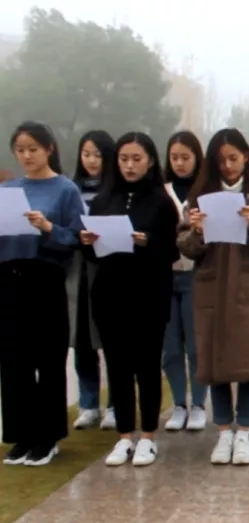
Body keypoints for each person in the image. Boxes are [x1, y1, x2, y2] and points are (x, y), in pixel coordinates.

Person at [177, 128, 249, 466]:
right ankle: (224, 430)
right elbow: (184, 246)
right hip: (211, 287)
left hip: (247, 290)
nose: (227, 166)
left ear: (247, 157)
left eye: (233, 158)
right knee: (216, 362)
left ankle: (244, 431)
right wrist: (196, 231)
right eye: (221, 159)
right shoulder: (200, 197)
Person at [80, 132, 179, 467]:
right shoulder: (103, 200)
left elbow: (172, 251)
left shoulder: (162, 202)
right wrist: (87, 241)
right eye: (124, 159)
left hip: (149, 296)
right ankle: (124, 436)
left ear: (150, 161)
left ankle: (148, 436)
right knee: (117, 367)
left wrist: (146, 241)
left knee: (147, 367)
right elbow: (92, 255)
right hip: (110, 295)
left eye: (137, 159)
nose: (130, 165)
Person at [0, 122, 84, 467]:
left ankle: (47, 438)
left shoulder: (65, 190)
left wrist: (48, 227)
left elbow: (78, 237)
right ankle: (21, 435)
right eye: (20, 150)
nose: (26, 156)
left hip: (45, 278)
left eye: (33, 149)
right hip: (9, 278)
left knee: (47, 359)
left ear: (49, 149)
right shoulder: (8, 189)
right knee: (13, 361)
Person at [69, 130, 116, 431]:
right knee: (82, 341)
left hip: (108, 270)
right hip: (78, 272)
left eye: (97, 154)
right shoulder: (71, 190)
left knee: (111, 340)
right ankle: (88, 405)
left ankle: (115, 404)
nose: (91, 160)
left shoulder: (117, 191)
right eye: (86, 154)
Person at [162, 130, 208, 432]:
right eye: (174, 157)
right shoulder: (161, 190)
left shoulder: (205, 191)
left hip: (196, 276)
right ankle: (179, 403)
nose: (179, 163)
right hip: (165, 277)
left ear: (196, 159)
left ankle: (199, 404)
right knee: (171, 348)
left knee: (196, 345)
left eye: (185, 157)